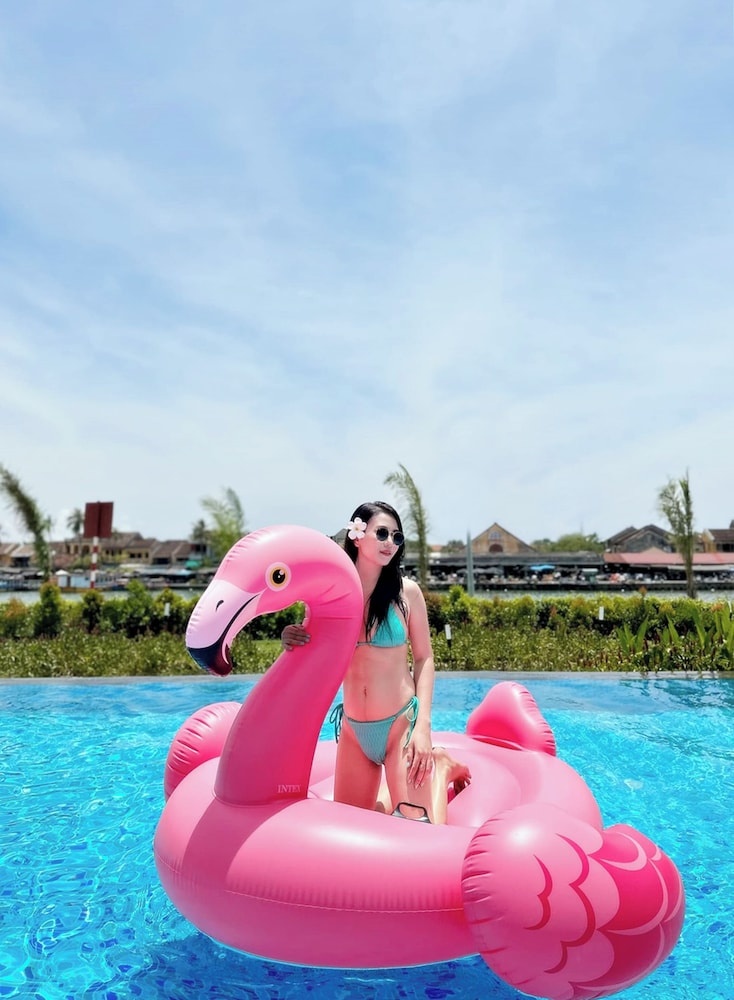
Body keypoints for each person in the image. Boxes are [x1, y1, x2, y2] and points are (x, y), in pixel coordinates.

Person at [282, 500, 470, 823]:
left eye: (396, 537)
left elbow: (424, 659)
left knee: (421, 831)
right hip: (355, 731)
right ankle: (398, 789)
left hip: (401, 725)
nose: (389, 543)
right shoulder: (331, 596)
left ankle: (440, 766)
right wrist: (291, 637)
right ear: (357, 536)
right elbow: (313, 650)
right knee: (351, 829)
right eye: (382, 533)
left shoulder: (407, 593)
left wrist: (423, 727)